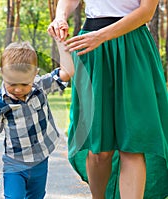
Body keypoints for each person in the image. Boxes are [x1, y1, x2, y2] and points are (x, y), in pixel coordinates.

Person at [47, 0, 168, 198]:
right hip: (92, 48)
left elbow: (147, 12)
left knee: (133, 144)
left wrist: (102, 36)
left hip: (132, 46)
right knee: (98, 149)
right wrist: (60, 17)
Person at [0, 41, 74, 199]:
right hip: (14, 163)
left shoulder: (40, 86)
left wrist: (61, 44)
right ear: (2, 73)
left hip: (40, 160)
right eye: (12, 84)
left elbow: (67, 73)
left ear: (34, 74)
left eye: (24, 84)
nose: (18, 90)